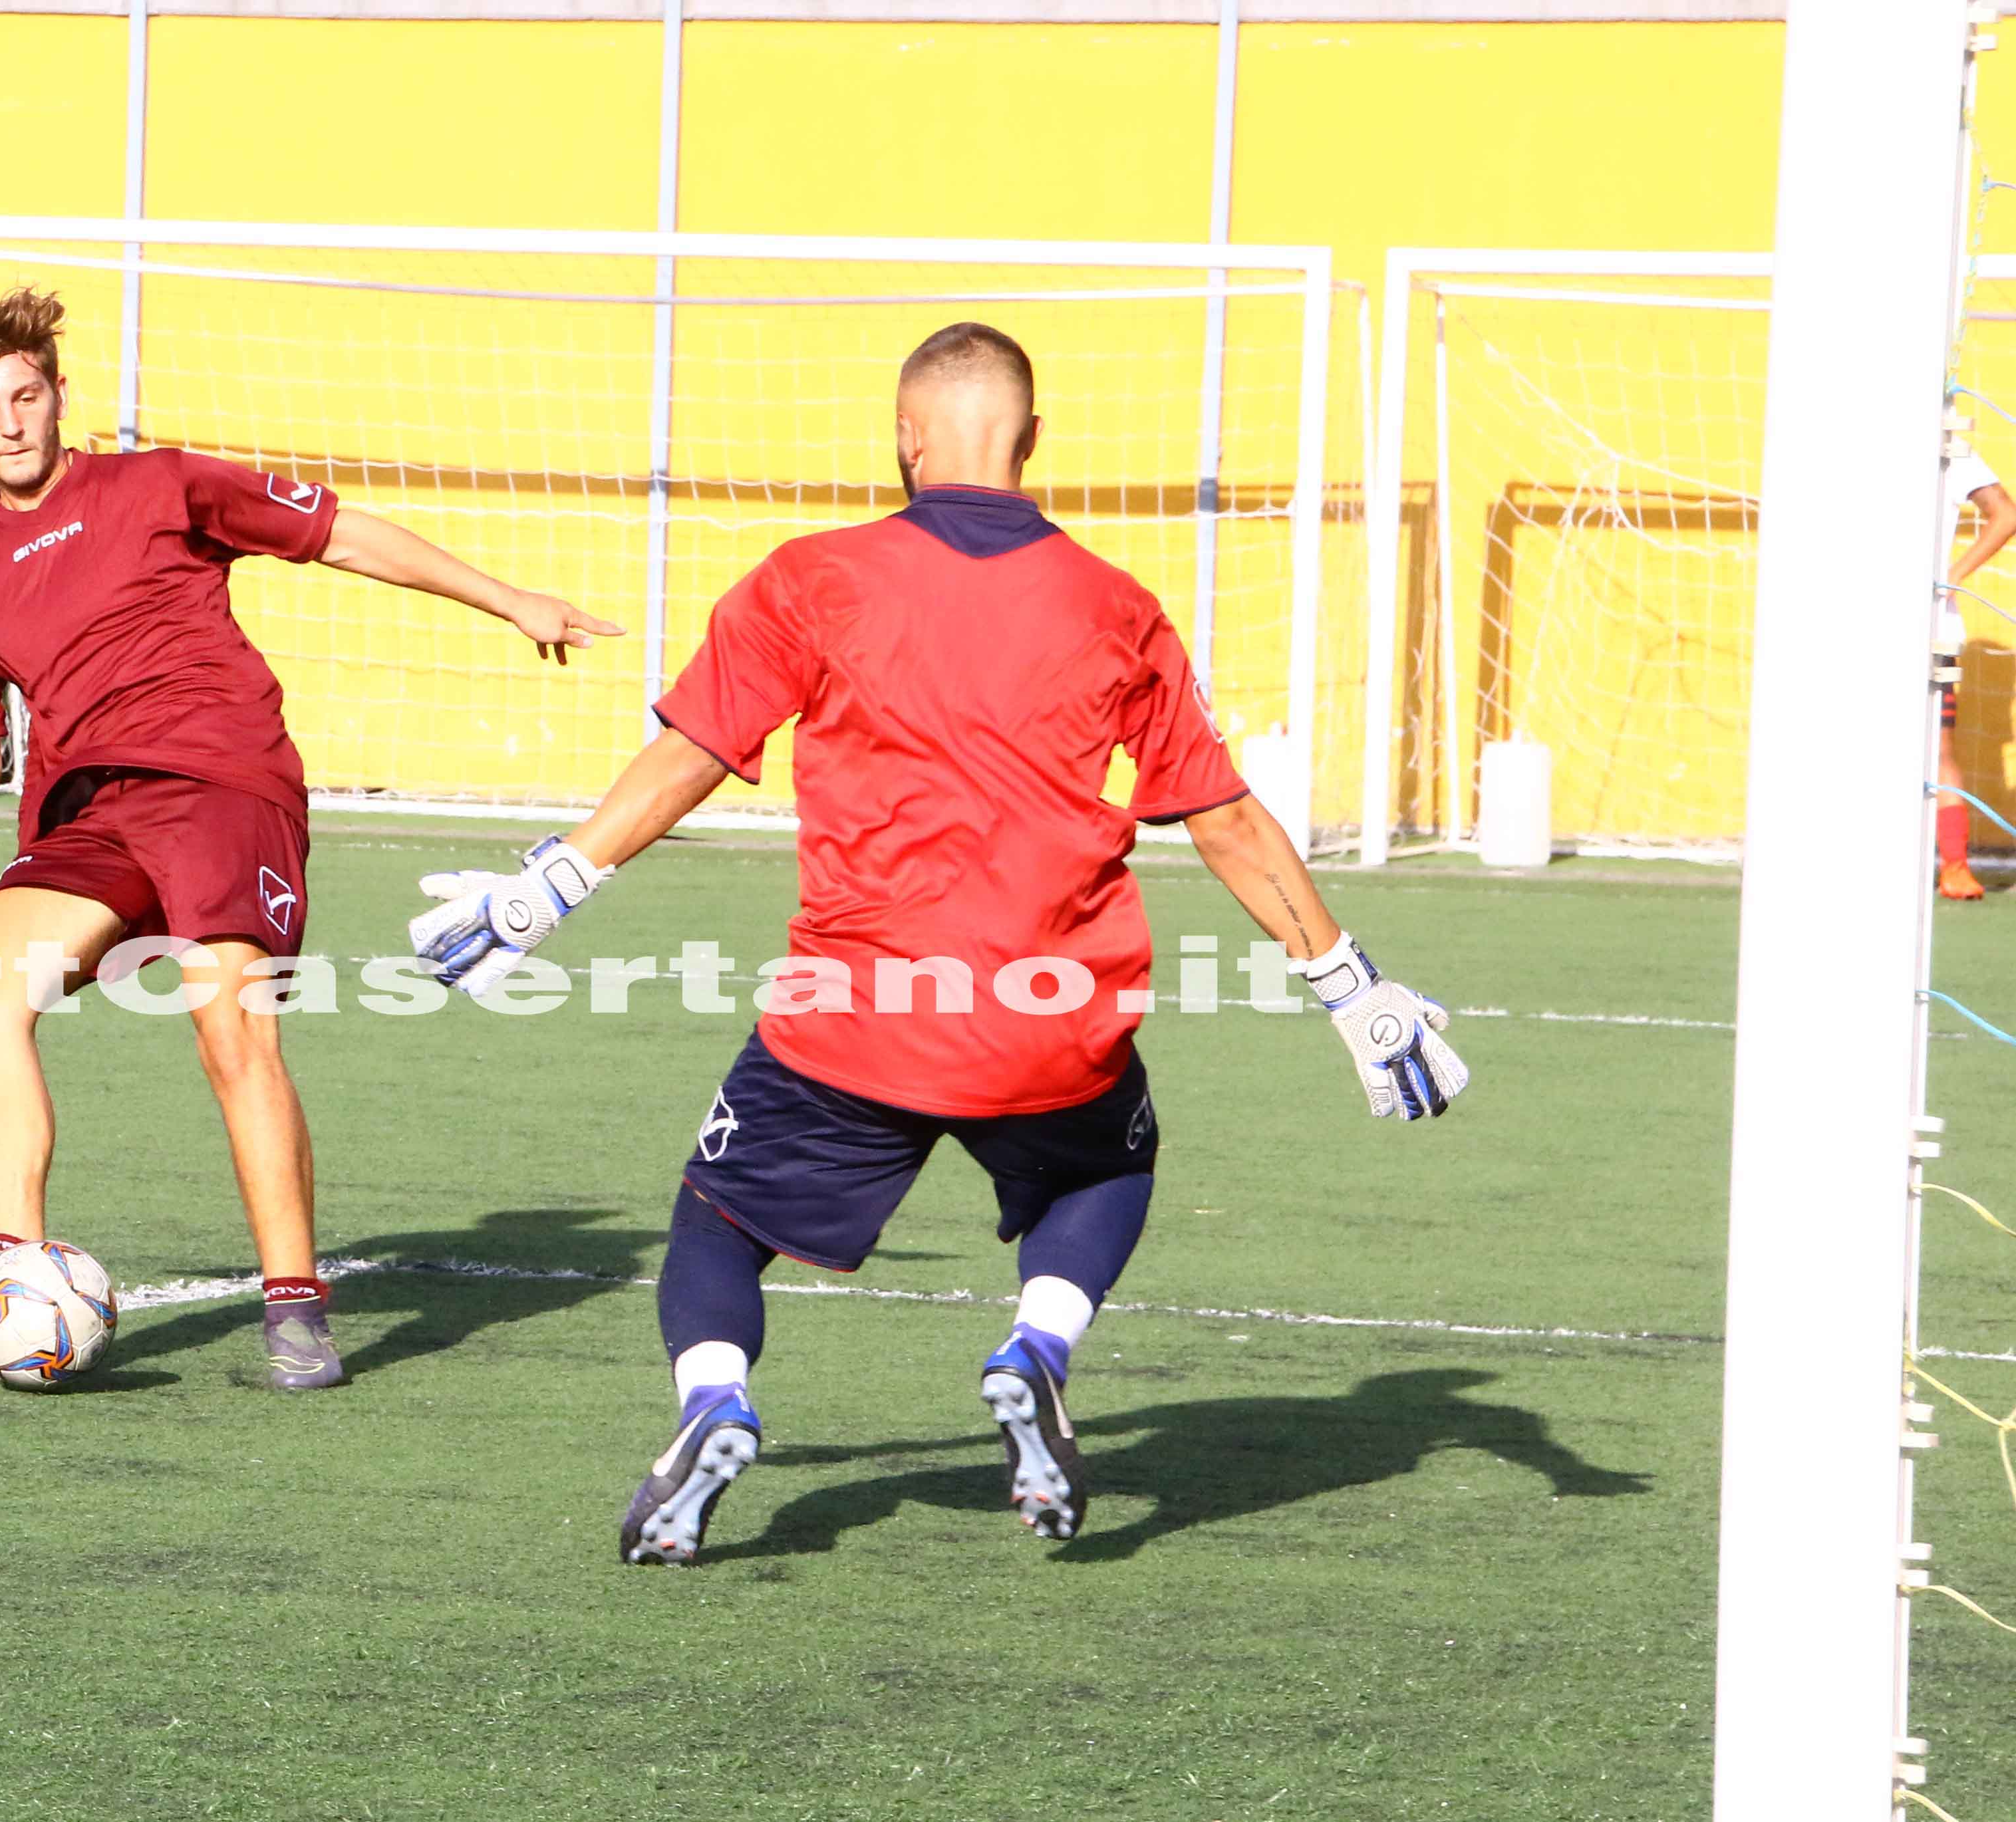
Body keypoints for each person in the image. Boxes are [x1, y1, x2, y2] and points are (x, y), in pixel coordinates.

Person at [406, 323, 1470, 1560]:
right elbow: (1224, 819)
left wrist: (541, 893)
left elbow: (692, 752)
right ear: (1033, 441)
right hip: (1051, 1015)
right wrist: (1352, 990)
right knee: (1104, 1168)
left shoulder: (812, 576)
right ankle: (1038, 1345)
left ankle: (714, 1403)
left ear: (906, 436)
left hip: (849, 1021)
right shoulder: (1118, 607)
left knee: (715, 1224)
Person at [0, 286, 621, 1391]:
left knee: (230, 1030)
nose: (10, 421)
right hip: (89, 808)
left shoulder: (162, 482)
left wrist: (509, 598)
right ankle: (7, 1272)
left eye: (26, 395)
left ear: (58, 395)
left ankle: (295, 1307)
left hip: (226, 782)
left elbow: (340, 533)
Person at [1936, 442, 2016, 900]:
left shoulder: (1952, 448)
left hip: (1930, 629)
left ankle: (1955, 866)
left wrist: (1951, 575)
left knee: (1938, 749)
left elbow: (2005, 514)